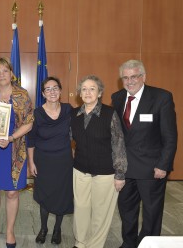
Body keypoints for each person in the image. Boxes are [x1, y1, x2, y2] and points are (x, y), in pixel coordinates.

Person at [111, 60, 177, 248]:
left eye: (134, 76)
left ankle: (148, 245)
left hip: (151, 169)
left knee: (151, 213)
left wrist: (163, 165)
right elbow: (116, 135)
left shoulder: (161, 97)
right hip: (125, 169)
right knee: (126, 211)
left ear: (143, 77)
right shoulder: (117, 97)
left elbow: (170, 136)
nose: (129, 81)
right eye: (125, 77)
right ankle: (129, 243)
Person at [70, 75, 127, 248]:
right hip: (80, 171)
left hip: (105, 173)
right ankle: (80, 242)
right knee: (81, 209)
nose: (87, 92)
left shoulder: (110, 114)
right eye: (84, 89)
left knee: (101, 213)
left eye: (92, 89)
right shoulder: (74, 114)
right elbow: (69, 139)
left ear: (100, 92)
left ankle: (94, 245)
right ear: (80, 93)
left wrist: (120, 174)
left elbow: (118, 144)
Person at [0, 57, 34, 248]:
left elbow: (29, 122)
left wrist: (11, 138)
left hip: (15, 150)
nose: (2, 75)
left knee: (12, 193)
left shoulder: (22, 95)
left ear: (11, 73)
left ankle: (10, 229)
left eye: (5, 71)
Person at [27, 76, 74, 245]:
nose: (52, 92)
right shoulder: (37, 113)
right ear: (43, 93)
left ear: (60, 91)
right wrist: (31, 163)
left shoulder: (69, 109)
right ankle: (44, 228)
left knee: (62, 195)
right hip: (43, 161)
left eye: (55, 88)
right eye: (48, 89)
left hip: (64, 161)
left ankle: (57, 229)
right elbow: (30, 140)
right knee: (45, 195)